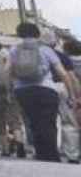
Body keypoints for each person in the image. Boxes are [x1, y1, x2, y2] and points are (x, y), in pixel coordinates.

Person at [11, 22, 78, 162]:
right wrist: (72, 94)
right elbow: (63, 73)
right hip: (45, 89)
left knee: (34, 123)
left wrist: (12, 89)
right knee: (48, 123)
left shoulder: (14, 50)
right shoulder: (45, 49)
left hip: (23, 91)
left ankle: (41, 154)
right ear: (37, 33)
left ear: (19, 34)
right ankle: (52, 155)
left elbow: (8, 71)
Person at [42, 29, 80, 164]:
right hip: (61, 87)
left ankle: (48, 151)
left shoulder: (38, 54)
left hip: (42, 89)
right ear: (55, 42)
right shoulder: (62, 57)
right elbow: (71, 77)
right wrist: (74, 95)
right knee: (68, 122)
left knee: (47, 122)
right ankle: (72, 155)